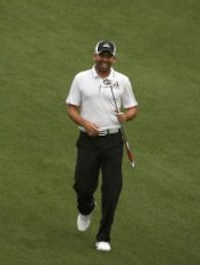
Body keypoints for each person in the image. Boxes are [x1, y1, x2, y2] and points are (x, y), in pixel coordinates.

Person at [65, 40, 138, 251]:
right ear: (94, 56)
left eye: (108, 56)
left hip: (113, 142)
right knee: (82, 186)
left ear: (114, 58)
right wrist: (84, 123)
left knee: (112, 189)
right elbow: (71, 108)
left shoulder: (122, 81)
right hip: (88, 141)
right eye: (101, 55)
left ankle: (104, 236)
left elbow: (133, 108)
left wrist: (127, 116)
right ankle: (86, 206)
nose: (104, 60)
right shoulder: (81, 79)